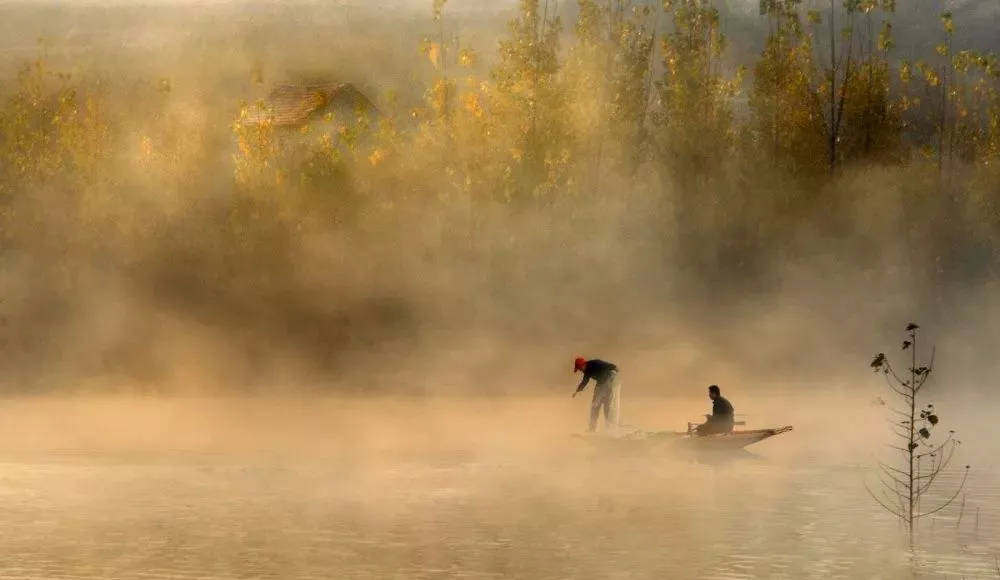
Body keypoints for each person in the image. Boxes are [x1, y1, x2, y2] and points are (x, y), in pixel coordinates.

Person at [573, 357, 621, 432]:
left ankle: (610, 428)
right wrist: (578, 390)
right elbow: (585, 381)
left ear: (583, 364)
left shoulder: (595, 363)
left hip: (610, 380)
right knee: (595, 405)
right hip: (601, 383)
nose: (580, 370)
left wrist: (615, 367)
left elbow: (609, 366)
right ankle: (592, 428)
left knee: (607, 405)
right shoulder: (586, 371)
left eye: (580, 368)